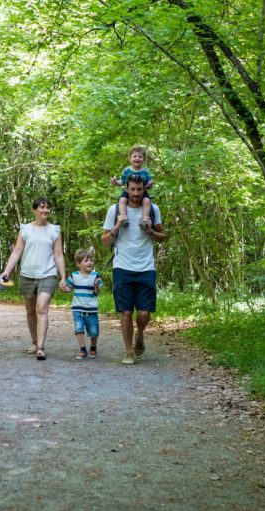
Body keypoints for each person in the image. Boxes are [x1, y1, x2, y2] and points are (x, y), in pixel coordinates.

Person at [101, 175, 165, 365]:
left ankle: (140, 333)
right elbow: (105, 242)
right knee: (126, 312)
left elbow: (163, 236)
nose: (136, 193)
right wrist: (118, 225)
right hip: (122, 267)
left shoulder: (153, 209)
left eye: (139, 189)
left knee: (144, 314)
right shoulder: (114, 210)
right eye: (132, 190)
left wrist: (151, 231)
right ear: (126, 189)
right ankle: (129, 351)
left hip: (146, 268)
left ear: (144, 188)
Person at [0, 198, 69, 361]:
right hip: (27, 275)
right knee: (30, 311)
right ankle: (34, 341)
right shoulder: (25, 229)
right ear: (34, 210)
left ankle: (40, 348)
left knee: (41, 308)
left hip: (48, 274)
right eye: (42, 207)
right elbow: (16, 252)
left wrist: (63, 277)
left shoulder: (55, 230)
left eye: (47, 208)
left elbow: (58, 255)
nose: (45, 210)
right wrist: (6, 271)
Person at [66, 247, 102, 360]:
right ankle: (82, 350)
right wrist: (64, 288)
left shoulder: (96, 276)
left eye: (91, 260)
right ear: (79, 263)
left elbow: (97, 292)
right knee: (79, 329)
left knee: (94, 331)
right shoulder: (74, 276)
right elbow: (69, 289)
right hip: (78, 309)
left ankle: (93, 348)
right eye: (86, 260)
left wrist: (96, 285)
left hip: (91, 309)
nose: (89, 262)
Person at [110, 145, 154, 231]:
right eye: (134, 156)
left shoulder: (145, 171)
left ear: (144, 159)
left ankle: (145, 219)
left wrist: (150, 184)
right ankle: (123, 217)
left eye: (140, 157)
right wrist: (116, 182)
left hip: (142, 191)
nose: (137, 158)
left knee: (147, 201)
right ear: (130, 159)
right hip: (128, 191)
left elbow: (149, 182)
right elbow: (122, 182)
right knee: (122, 200)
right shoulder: (126, 170)